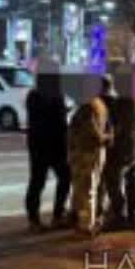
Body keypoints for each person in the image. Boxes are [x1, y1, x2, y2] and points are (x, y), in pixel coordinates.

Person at [24, 57, 70, 231]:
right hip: (43, 145)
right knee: (38, 181)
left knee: (64, 177)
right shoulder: (36, 96)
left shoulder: (55, 95)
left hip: (53, 145)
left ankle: (57, 214)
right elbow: (47, 121)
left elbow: (58, 119)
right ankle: (34, 219)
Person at [67, 80, 112, 236]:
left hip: (86, 153)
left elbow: (92, 133)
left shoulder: (88, 106)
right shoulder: (99, 104)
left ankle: (86, 224)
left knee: (86, 190)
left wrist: (102, 138)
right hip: (94, 152)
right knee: (89, 188)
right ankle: (83, 219)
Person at [102, 94, 135, 231]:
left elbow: (115, 126)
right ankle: (132, 215)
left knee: (112, 180)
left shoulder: (122, 102)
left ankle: (119, 215)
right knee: (131, 180)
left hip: (121, 148)